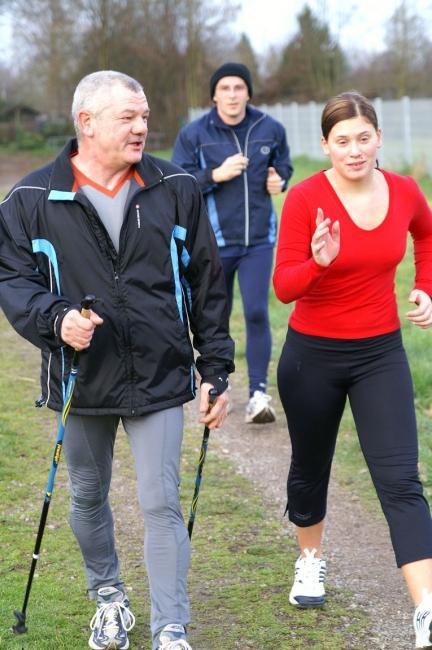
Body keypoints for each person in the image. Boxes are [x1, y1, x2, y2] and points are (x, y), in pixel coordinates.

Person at [0, 70, 234, 650]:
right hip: (82, 376)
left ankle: (170, 628)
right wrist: (56, 321)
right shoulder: (29, 199)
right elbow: (14, 281)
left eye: (145, 116)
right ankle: (108, 597)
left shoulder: (175, 186)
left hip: (159, 372)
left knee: (160, 499)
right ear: (86, 122)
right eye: (127, 117)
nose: (141, 127)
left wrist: (216, 369)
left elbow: (206, 282)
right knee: (86, 493)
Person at [273, 91, 432, 648]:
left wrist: (424, 287)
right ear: (325, 145)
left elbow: (427, 235)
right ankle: (310, 560)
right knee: (310, 467)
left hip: (380, 354)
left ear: (379, 138)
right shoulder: (305, 200)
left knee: (400, 480)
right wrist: (317, 262)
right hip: (311, 355)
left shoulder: (406, 191)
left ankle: (427, 612)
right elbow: (284, 287)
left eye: (364, 137)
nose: (355, 149)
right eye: (343, 140)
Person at [172, 62, 293, 425]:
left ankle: (258, 394)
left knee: (256, 312)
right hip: (214, 242)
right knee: (213, 318)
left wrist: (280, 180)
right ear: (214, 94)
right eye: (224, 88)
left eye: (239, 87)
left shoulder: (269, 128)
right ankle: (214, 385)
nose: (232, 94)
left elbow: (283, 166)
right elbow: (178, 181)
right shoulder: (195, 133)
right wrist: (214, 175)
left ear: (248, 92)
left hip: (258, 240)